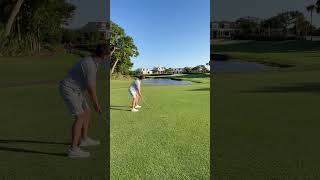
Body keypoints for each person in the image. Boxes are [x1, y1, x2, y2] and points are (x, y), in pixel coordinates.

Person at [59, 44, 115, 158]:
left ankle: (84, 139)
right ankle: (73, 150)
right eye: (109, 56)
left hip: (77, 90)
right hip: (69, 89)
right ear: (104, 56)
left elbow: (106, 53)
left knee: (87, 112)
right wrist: (96, 105)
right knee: (80, 116)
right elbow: (91, 89)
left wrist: (111, 49)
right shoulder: (90, 66)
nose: (110, 57)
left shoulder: (94, 60)